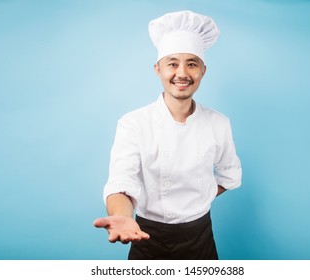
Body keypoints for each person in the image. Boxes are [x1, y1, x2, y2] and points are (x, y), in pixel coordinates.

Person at [94, 10, 242, 260]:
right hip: (145, 235)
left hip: (200, 236)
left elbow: (229, 174)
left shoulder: (219, 123)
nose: (182, 73)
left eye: (191, 64)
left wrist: (198, 195)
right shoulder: (134, 123)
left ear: (203, 71)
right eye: (172, 63)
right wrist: (122, 217)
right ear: (158, 69)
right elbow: (122, 182)